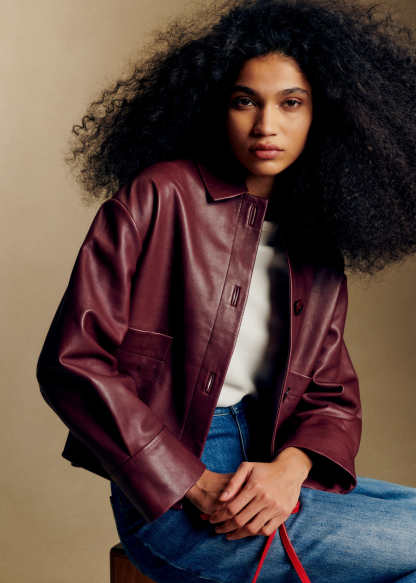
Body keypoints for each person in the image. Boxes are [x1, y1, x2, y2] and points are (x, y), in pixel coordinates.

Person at [36, 0, 416, 581]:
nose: (266, 125)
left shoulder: (314, 237)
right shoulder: (158, 197)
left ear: (326, 114)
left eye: (291, 103)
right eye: (245, 101)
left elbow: (330, 391)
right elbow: (73, 361)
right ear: (216, 105)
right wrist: (190, 480)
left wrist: (289, 469)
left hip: (269, 474)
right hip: (174, 500)